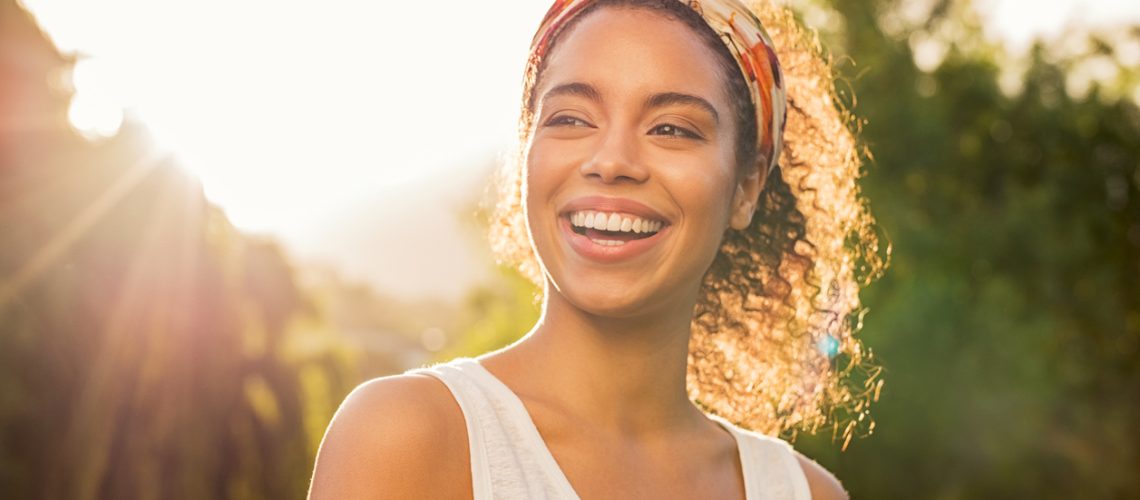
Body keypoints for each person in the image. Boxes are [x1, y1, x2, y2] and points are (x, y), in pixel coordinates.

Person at [309, 0, 884, 498]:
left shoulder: (802, 493)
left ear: (747, 186)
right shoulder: (406, 438)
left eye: (672, 129)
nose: (610, 161)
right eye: (570, 118)